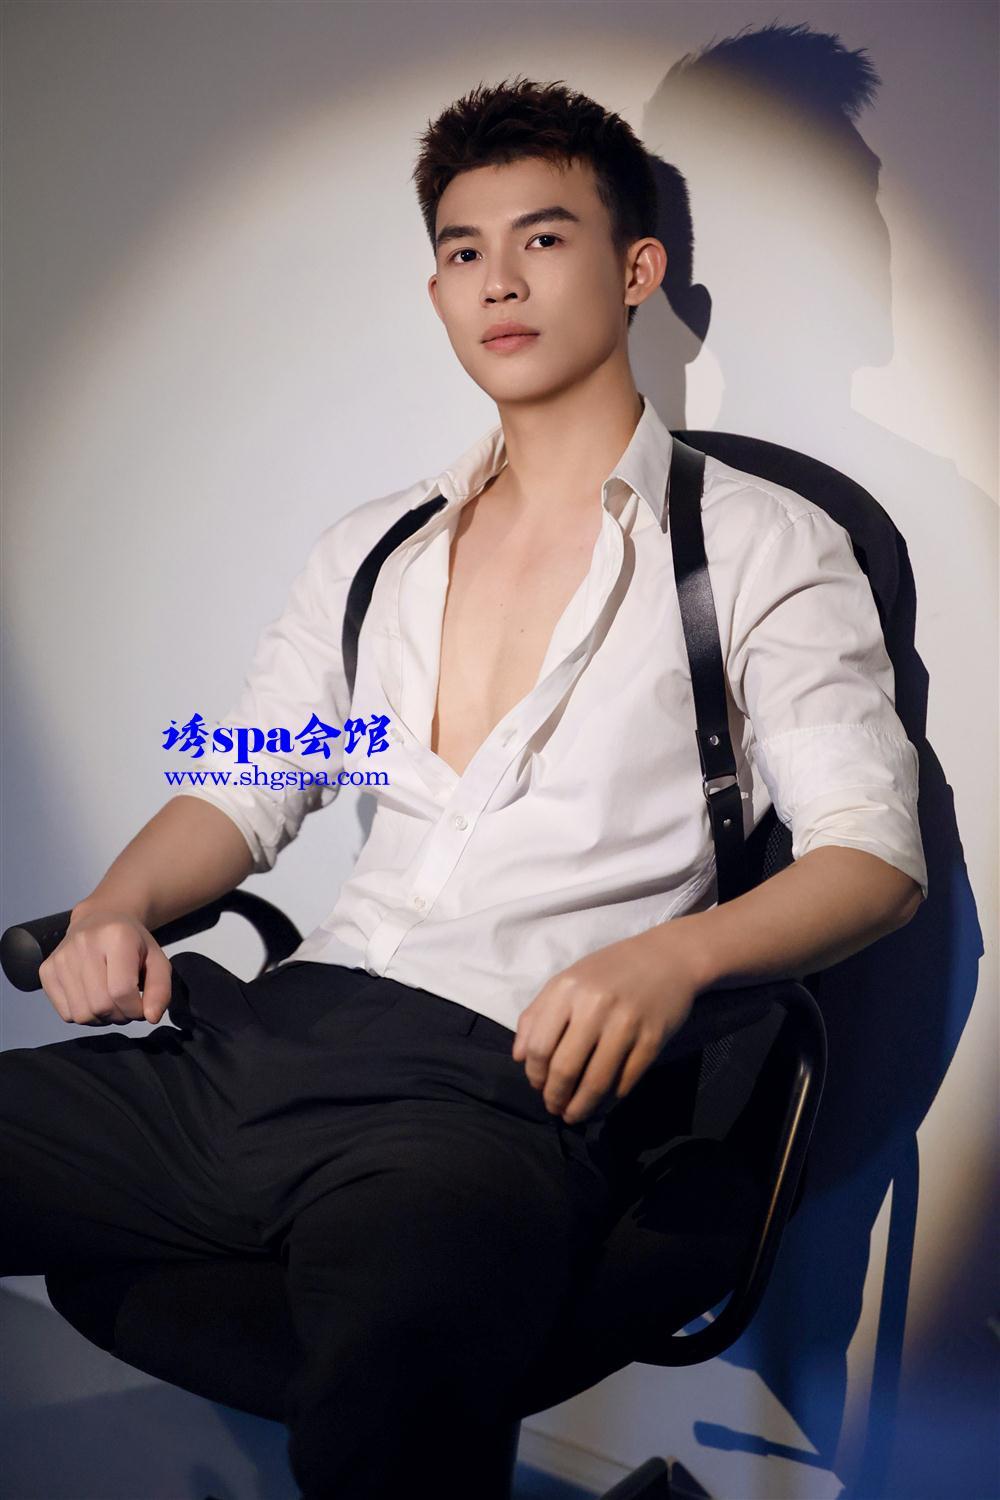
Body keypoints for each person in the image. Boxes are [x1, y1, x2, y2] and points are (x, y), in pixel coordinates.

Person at [1, 76, 927, 1499]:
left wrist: (673, 958)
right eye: (462, 249)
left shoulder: (758, 547)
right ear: (436, 289)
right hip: (268, 1041)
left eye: (543, 239)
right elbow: (242, 784)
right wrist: (115, 906)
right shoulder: (377, 550)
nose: (498, 280)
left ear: (636, 270)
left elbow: (873, 856)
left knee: (391, 1403)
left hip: (498, 1094)